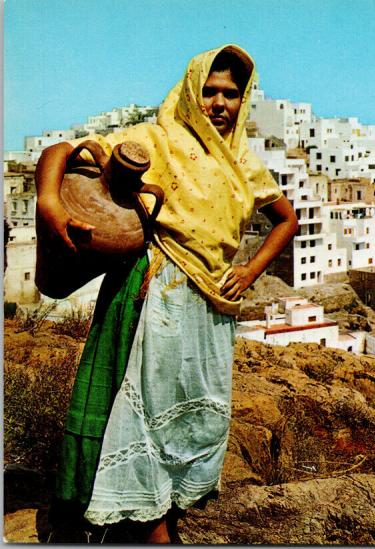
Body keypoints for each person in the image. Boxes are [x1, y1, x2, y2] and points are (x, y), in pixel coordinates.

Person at [35, 44, 298, 543]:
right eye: (211, 91)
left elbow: (286, 219)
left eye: (232, 94)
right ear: (192, 92)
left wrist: (249, 270)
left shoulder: (244, 160)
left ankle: (168, 509)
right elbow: (61, 152)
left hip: (211, 304)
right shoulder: (157, 138)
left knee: (195, 410)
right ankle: (147, 524)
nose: (221, 103)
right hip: (154, 289)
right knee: (146, 407)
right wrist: (50, 200)